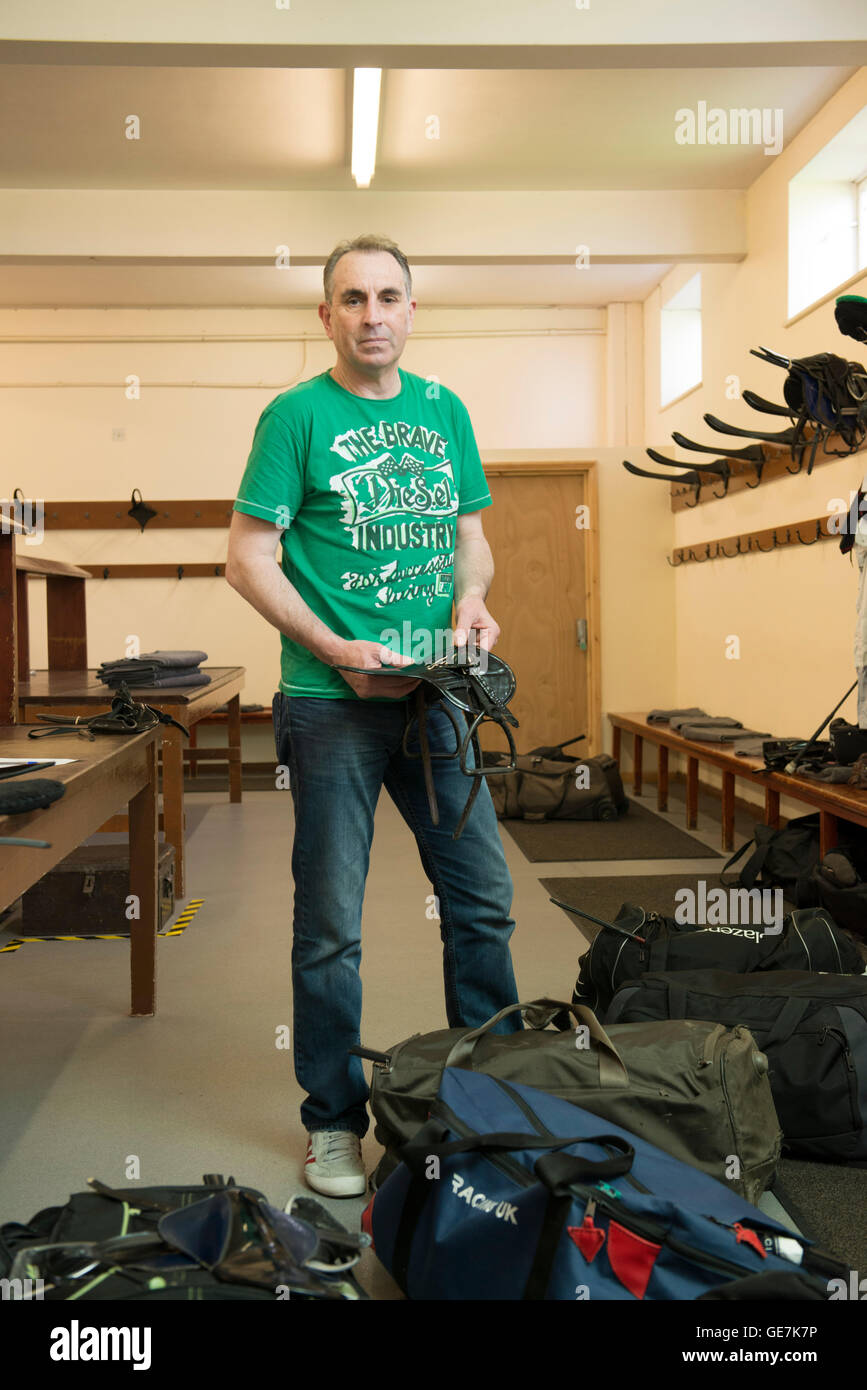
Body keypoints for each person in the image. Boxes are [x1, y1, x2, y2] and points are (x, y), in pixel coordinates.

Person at [226, 233, 521, 1197]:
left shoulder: (446, 413)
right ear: (326, 315)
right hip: (329, 708)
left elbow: (469, 539)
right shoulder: (294, 416)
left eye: (388, 296)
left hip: (436, 698)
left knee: (480, 903)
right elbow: (248, 557)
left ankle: (498, 1098)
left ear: (410, 308)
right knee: (329, 927)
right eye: (351, 299)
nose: (372, 314)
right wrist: (332, 649)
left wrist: (469, 600)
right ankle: (330, 1122)